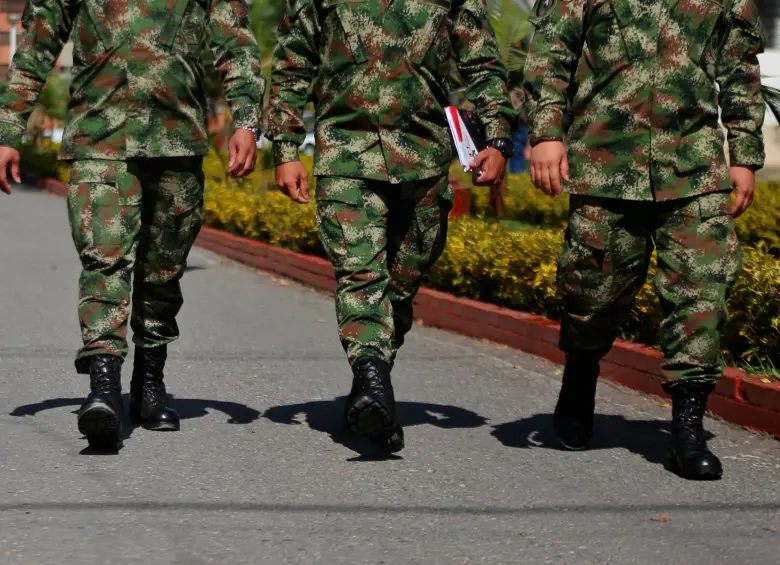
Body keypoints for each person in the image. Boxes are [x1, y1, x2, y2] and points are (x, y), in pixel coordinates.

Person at [0, 0, 265, 450]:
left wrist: (247, 121)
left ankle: (148, 383)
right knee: (104, 262)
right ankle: (103, 388)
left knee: (163, 273)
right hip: (100, 140)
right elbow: (38, 44)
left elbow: (235, 43)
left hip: (177, 143)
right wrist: (8, 130)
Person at [524, 0, 765, 479]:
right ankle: (581, 370)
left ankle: (687, 429)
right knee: (592, 292)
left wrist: (743, 155)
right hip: (604, 164)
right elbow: (552, 54)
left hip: (694, 167)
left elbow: (739, 69)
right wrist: (547, 133)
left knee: (702, 291)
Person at [269, 0, 515, 452]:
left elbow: (483, 63)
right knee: (361, 274)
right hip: (346, 153)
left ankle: (368, 387)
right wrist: (285, 150)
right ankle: (374, 387)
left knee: (399, 285)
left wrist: (498, 139)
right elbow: (291, 64)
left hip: (424, 157)